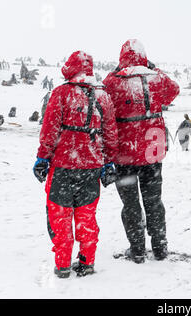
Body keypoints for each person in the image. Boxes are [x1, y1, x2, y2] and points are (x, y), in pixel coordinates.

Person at [34, 51, 119, 278]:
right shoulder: (103, 98)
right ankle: (87, 262)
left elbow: (50, 129)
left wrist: (43, 158)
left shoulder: (62, 93)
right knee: (86, 217)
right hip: (90, 168)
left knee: (60, 218)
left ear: (70, 68)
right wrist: (108, 162)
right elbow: (110, 134)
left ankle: (62, 266)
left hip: (62, 166)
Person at [103, 40, 180, 264]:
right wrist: (154, 69)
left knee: (131, 203)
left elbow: (105, 103)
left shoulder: (113, 82)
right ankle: (160, 246)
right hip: (152, 153)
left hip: (125, 154)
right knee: (154, 200)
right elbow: (173, 90)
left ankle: (137, 250)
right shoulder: (156, 79)